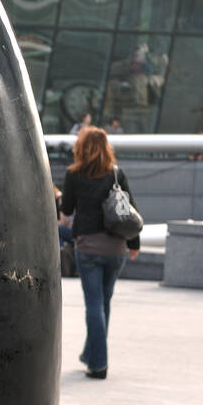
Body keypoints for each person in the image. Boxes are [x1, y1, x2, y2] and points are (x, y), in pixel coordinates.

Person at [60, 126, 140, 380]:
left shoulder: (73, 175)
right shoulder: (116, 174)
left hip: (88, 247)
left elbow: (67, 210)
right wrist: (134, 244)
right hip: (116, 248)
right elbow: (129, 210)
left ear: (80, 148)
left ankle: (99, 365)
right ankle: (91, 355)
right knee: (104, 303)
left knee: (94, 305)